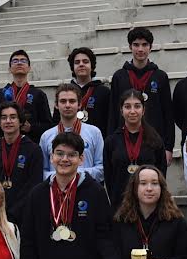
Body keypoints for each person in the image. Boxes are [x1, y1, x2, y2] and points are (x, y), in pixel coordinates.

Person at [108, 26, 171, 155]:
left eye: (144, 45)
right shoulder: (119, 76)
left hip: (154, 141)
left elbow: (168, 114)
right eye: (136, 45)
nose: (140, 49)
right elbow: (113, 113)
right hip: (124, 141)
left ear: (151, 47)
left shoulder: (160, 76)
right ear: (130, 47)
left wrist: (168, 147)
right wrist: (111, 143)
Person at [104, 89, 168, 206]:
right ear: (121, 111)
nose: (132, 111)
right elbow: (109, 178)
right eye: (127, 107)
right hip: (120, 204)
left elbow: (161, 173)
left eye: (137, 106)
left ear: (143, 110)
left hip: (149, 203)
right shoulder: (111, 141)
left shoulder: (155, 140)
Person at [0, 101, 42, 221]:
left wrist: (14, 211)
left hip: (23, 215)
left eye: (13, 117)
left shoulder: (33, 150)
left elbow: (34, 185)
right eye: (4, 118)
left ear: (20, 121)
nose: (8, 121)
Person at [39, 82, 106, 183]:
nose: (67, 105)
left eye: (72, 101)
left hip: (86, 190)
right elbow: (42, 172)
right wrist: (62, 176)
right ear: (56, 105)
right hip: (56, 193)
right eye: (63, 101)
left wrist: (74, 175)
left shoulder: (94, 132)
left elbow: (101, 169)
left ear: (79, 104)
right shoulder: (46, 136)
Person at [0, 49, 54, 137]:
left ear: (29, 68)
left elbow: (48, 126)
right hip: (4, 143)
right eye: (15, 61)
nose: (19, 63)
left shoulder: (38, 94)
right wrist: (3, 123)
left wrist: (31, 128)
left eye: (23, 61)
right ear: (9, 69)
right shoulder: (0, 94)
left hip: (30, 144)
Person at [68, 46, 111, 129]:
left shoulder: (104, 92)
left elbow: (110, 120)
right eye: (77, 62)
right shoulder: (65, 92)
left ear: (92, 66)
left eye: (85, 61)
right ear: (72, 68)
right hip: (70, 140)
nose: (81, 64)